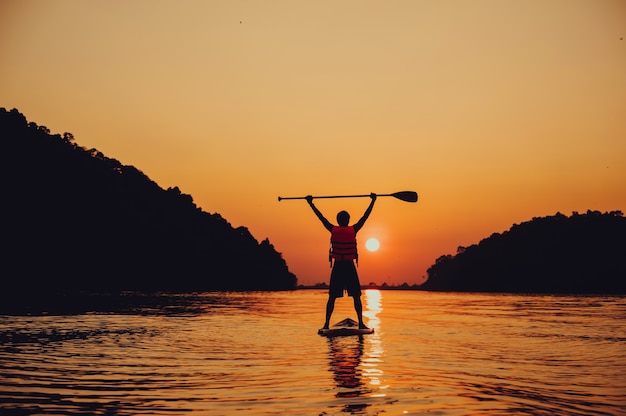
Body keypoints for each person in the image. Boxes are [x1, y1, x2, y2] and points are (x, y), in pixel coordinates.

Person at [306, 193, 377, 329]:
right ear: (347, 220)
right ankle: (360, 323)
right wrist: (373, 201)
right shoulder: (354, 229)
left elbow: (321, 217)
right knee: (356, 296)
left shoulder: (332, 229)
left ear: (338, 220)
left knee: (333, 297)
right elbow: (365, 217)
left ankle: (326, 324)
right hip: (348, 267)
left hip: (339, 267)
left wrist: (311, 204)